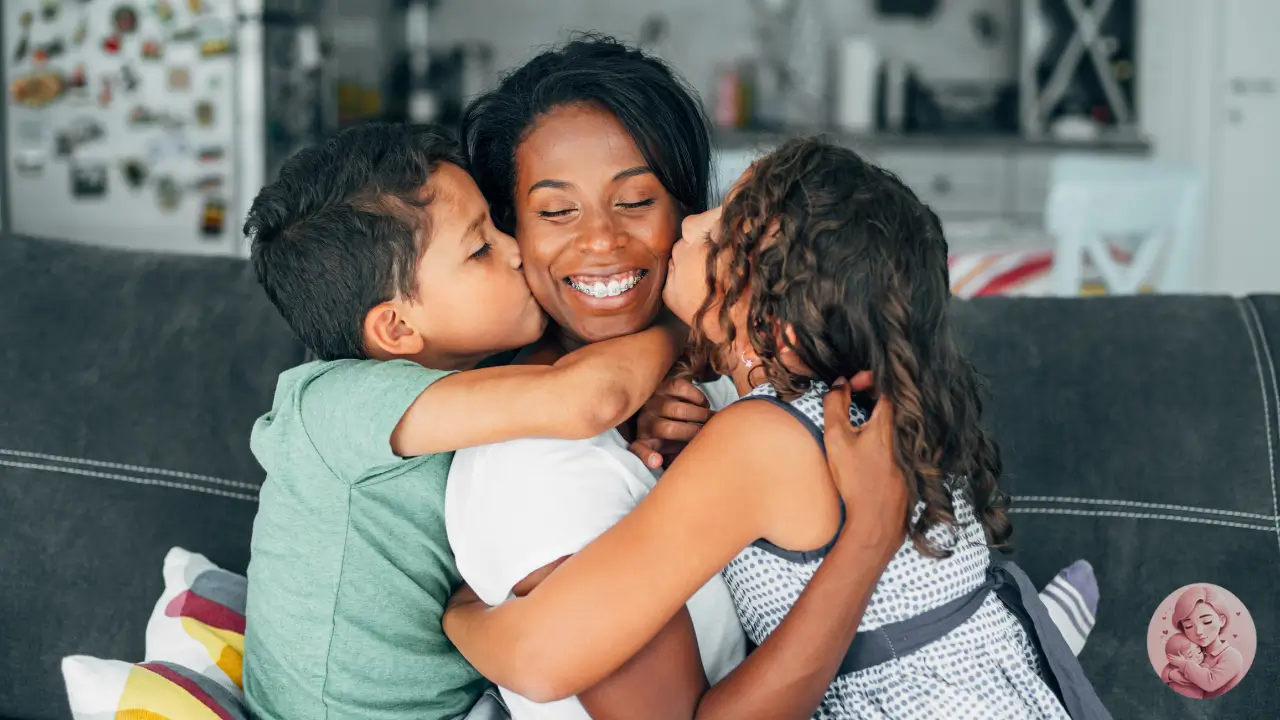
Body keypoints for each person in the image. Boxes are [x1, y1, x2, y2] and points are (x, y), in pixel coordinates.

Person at [445, 138, 1112, 719]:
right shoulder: (868, 407)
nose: (690, 222)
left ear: (781, 328)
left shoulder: (762, 443)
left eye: (722, 230)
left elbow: (546, 659)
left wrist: (462, 615)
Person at [445, 37, 910, 720]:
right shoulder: (538, 464)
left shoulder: (727, 381)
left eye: (635, 201)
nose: (600, 240)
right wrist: (461, 618)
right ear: (509, 232)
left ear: (686, 212)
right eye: (556, 211)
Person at [239, 122, 697, 720]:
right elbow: (589, 396)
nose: (516, 251)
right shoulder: (334, 406)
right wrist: (687, 315)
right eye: (480, 248)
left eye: (501, 227)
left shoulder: (467, 383)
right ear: (397, 328)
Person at [1163, 585, 1244, 699]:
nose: (1199, 632)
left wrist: (1183, 664)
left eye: (1207, 622)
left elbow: (1210, 683)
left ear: (1222, 620)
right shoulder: (1194, 648)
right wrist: (1170, 674)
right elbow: (1171, 663)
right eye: (1189, 626)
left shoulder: (1232, 657)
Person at [1161, 634, 1206, 698]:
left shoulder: (1204, 666)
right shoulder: (1172, 666)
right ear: (1175, 660)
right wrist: (1169, 674)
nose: (1198, 656)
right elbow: (1163, 675)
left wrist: (1182, 664)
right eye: (1190, 656)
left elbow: (1193, 677)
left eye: (1199, 651)